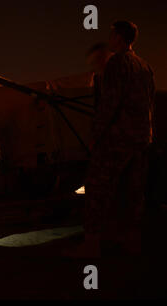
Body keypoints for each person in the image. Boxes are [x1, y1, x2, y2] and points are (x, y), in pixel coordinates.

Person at [70, 21, 155, 257]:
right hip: (141, 139)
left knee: (97, 189)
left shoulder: (118, 62)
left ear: (118, 37)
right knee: (133, 192)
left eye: (112, 33)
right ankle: (131, 242)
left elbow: (110, 104)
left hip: (117, 139)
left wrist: (95, 136)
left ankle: (91, 245)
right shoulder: (144, 65)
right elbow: (149, 103)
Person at [86, 42, 114, 109]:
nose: (96, 65)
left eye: (99, 59)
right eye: (93, 63)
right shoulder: (97, 78)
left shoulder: (113, 79)